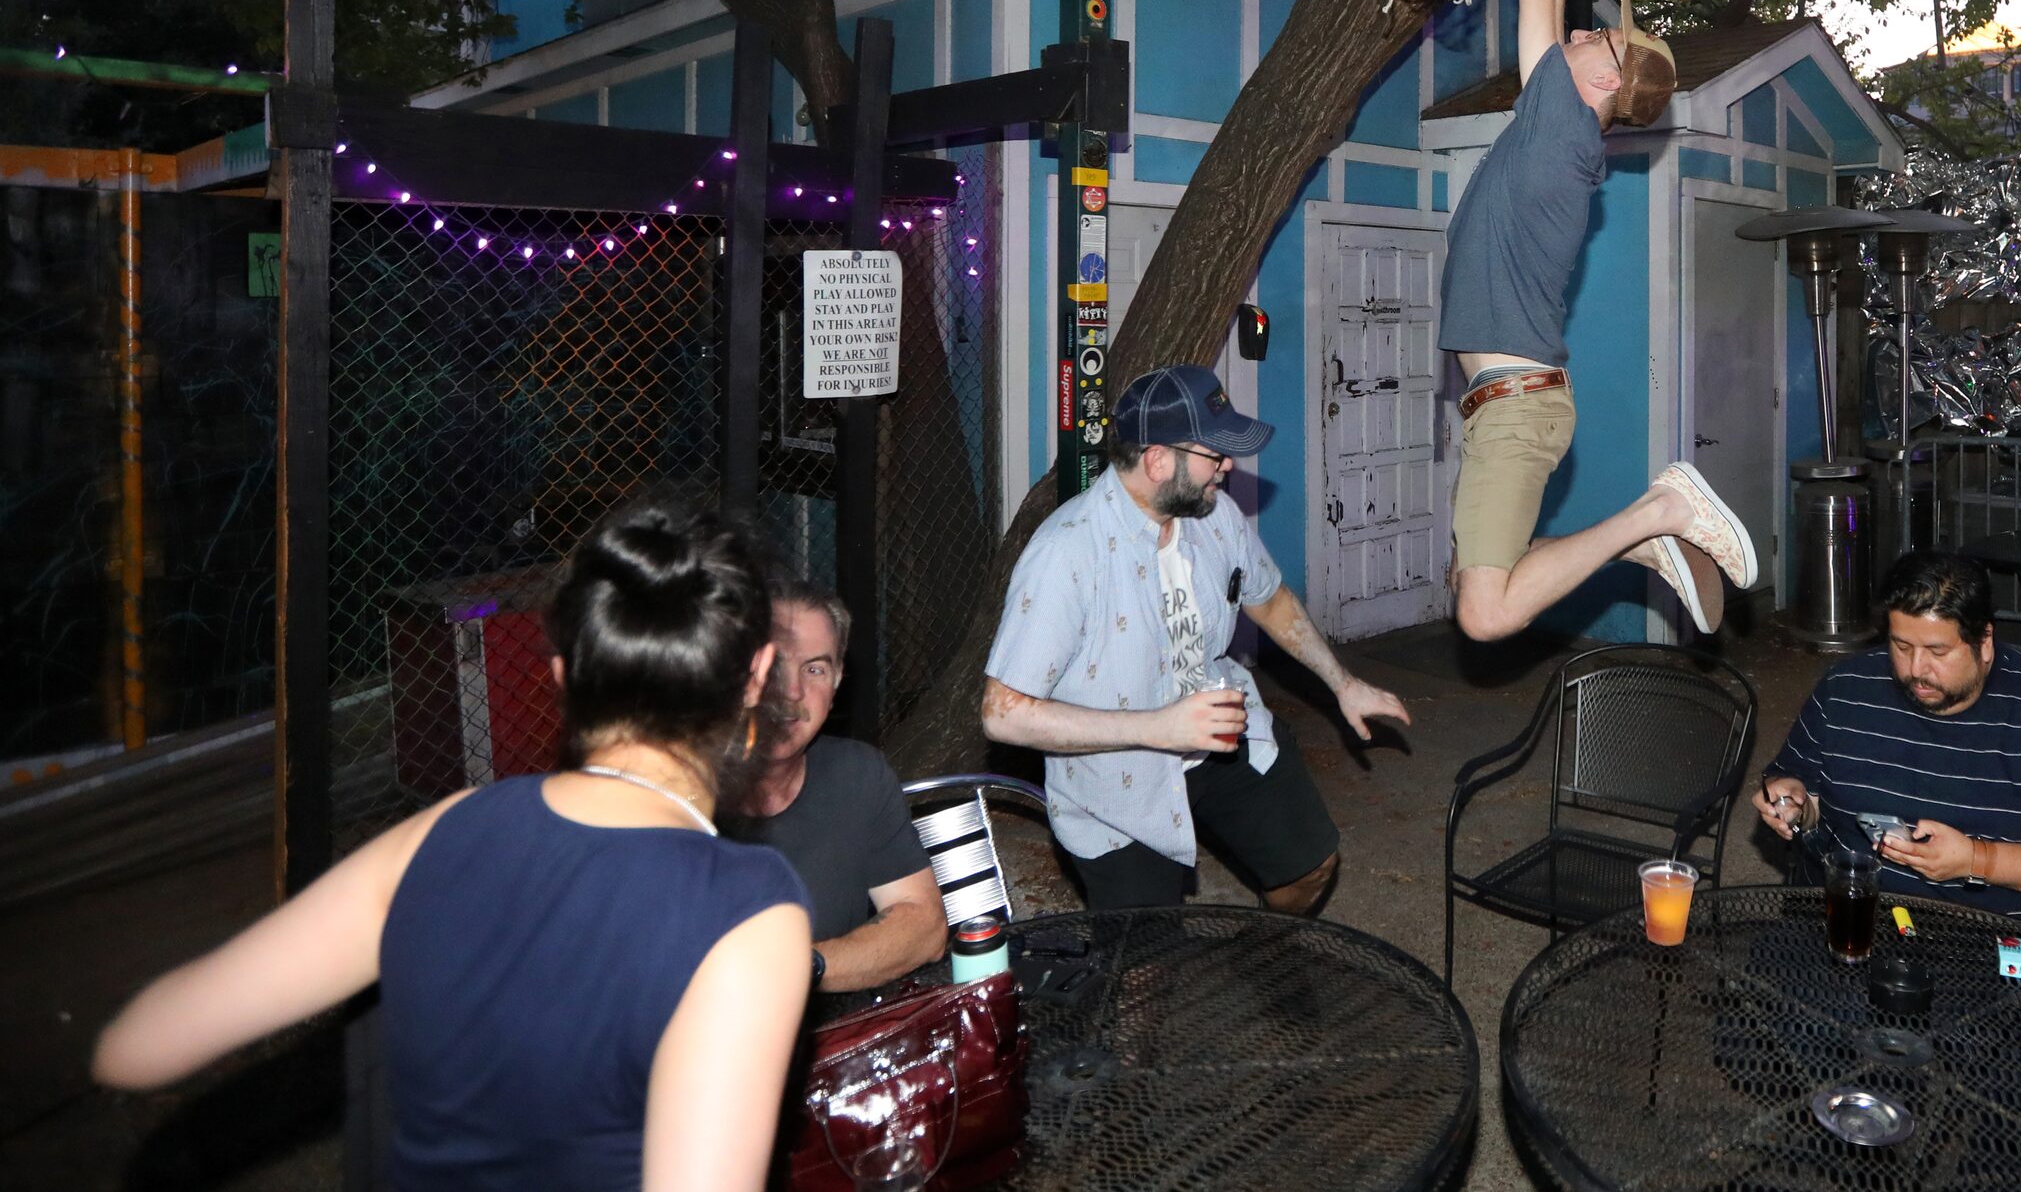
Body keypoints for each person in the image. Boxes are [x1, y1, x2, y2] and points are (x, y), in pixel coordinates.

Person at [92, 496, 811, 1192]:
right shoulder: (747, 910)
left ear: (561, 677)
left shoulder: (442, 830)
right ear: (755, 676)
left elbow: (134, 1049)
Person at [1440, 0, 1756, 640]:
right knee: (1482, 579)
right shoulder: (1558, 135)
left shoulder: (1558, 128)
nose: (1581, 34)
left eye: (1599, 39)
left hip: (1516, 404)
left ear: (1608, 80)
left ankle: (1656, 513)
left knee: (1485, 613)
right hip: (1512, 400)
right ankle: (1644, 544)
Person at [981, 364, 1411, 911]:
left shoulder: (1214, 515)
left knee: (1310, 866)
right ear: (1158, 461)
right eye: (1214, 453)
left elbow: (1270, 599)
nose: (1228, 465)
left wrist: (1343, 683)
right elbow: (1002, 712)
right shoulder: (1066, 555)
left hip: (1221, 730)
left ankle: (1265, 954)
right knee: (1146, 970)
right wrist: (1159, 727)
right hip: (1120, 775)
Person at [1754, 551, 2021, 930]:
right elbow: (1802, 789)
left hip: (1991, 937)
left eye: (1938, 651)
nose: (1916, 669)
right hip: (1849, 917)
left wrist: (1977, 859)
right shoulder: (1845, 688)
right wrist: (1792, 804)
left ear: (1984, 640)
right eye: (1902, 647)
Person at [730, 576, 947, 992]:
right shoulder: (680, 792)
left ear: (836, 682)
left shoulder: (857, 774)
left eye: (814, 669)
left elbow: (925, 926)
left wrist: (797, 970)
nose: (792, 691)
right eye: (773, 666)